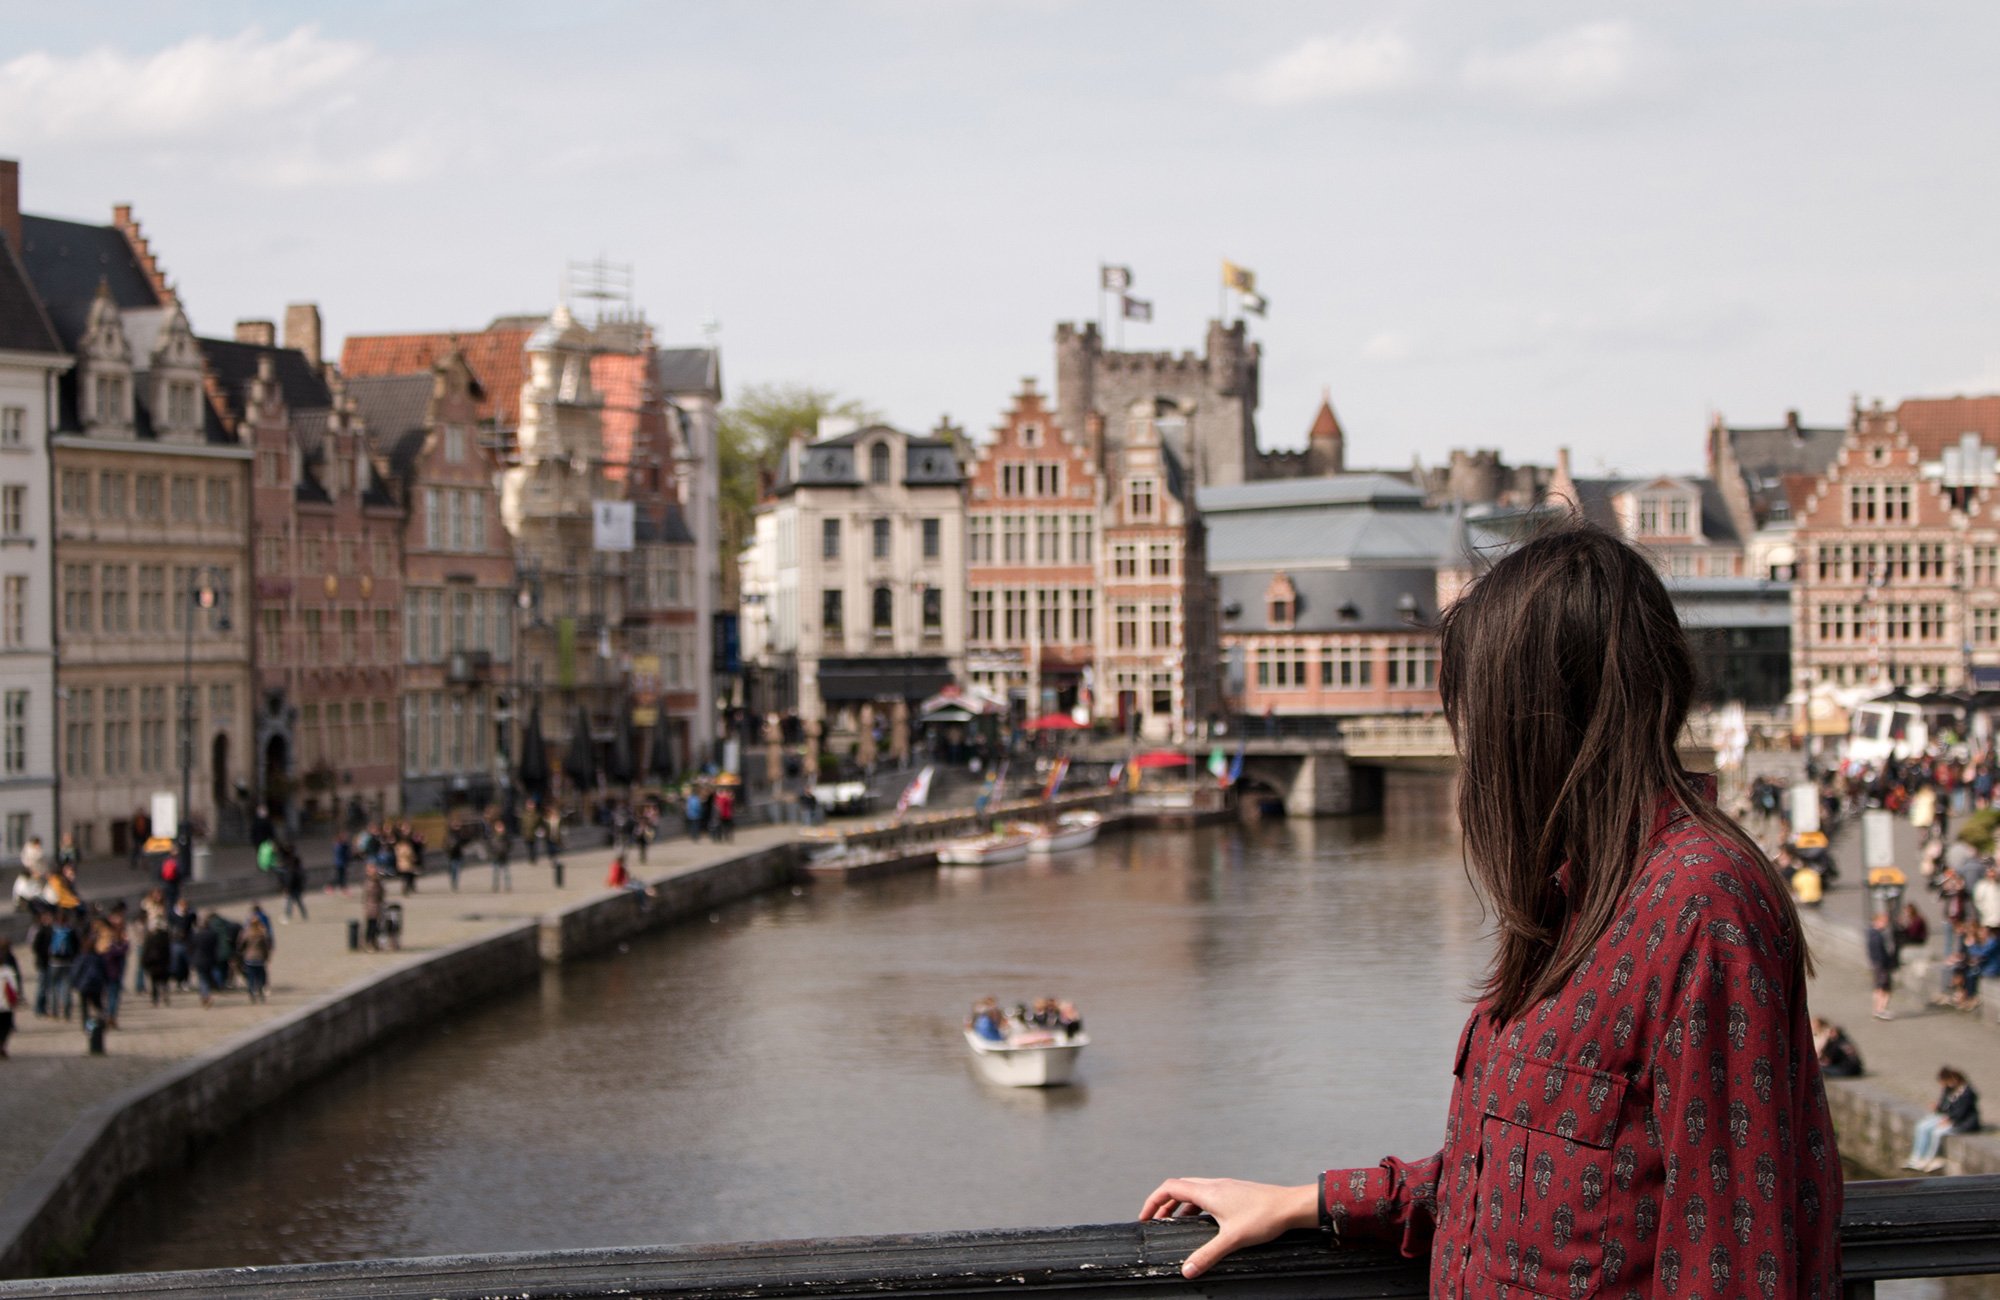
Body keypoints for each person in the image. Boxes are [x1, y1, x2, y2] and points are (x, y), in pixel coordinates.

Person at [1136, 523, 1840, 1297]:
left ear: (1536, 723)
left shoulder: (1701, 908)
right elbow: (1520, 1175)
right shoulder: (1578, 899)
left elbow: (1737, 1260)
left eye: (1476, 719)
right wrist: (1307, 1202)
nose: (1469, 757)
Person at [1906, 1067, 1981, 1172]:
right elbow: (1945, 1106)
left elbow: (1962, 1112)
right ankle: (1917, 1156)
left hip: (1963, 1123)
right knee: (1922, 1126)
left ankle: (1930, 1158)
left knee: (1937, 1132)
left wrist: (1949, 1119)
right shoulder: (1950, 1090)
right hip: (1950, 1119)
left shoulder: (1968, 1093)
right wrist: (1938, 1107)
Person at [1869, 908, 1900, 1019]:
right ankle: (1881, 1009)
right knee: (1884, 988)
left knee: (1878, 987)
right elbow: (1881, 952)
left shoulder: (1872, 934)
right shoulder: (1877, 936)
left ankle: (1877, 1009)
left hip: (1878, 964)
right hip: (1882, 965)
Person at [238, 917, 272, 1003]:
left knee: (251, 976)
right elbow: (266, 947)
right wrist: (266, 956)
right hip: (260, 959)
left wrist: (242, 953)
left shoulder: (247, 934)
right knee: (260, 976)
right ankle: (260, 991)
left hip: (249, 958)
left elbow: (241, 945)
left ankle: (251, 991)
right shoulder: (262, 934)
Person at [281, 841, 308, 922]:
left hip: (293, 886)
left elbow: (290, 876)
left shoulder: (291, 861)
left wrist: (287, 887)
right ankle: (304, 914)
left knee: (290, 901)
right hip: (296, 885)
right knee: (298, 901)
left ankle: (288, 916)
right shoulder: (294, 860)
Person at [361, 864, 386, 951]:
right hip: (372, 907)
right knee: (371, 927)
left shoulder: (376, 881)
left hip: (375, 907)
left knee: (375, 926)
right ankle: (369, 943)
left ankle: (373, 943)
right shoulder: (372, 882)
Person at [0, 938, 17, 1056]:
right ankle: (2, 1045)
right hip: (6, 1005)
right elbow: (13, 988)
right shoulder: (8, 971)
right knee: (6, 1027)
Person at [489, 813, 512, 892]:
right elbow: (490, 846)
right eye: (498, 826)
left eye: (500, 826)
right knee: (496, 873)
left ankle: (508, 886)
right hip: (496, 856)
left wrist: (506, 851)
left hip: (504, 856)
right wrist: (492, 853)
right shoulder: (493, 836)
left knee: (506, 873)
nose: (499, 828)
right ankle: (495, 887)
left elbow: (509, 845)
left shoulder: (505, 836)